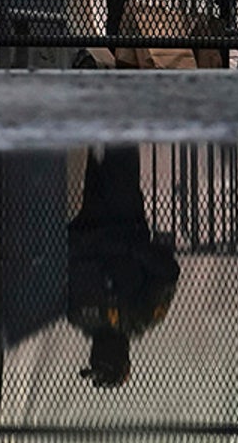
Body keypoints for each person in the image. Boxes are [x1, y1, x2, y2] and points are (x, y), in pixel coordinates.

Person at [67, 146, 180, 389]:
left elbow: (64, 266)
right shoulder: (139, 317)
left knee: (103, 153)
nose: (98, 355)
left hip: (95, 218)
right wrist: (129, 247)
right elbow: (168, 272)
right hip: (120, 219)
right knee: (117, 149)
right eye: (103, 361)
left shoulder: (80, 317)